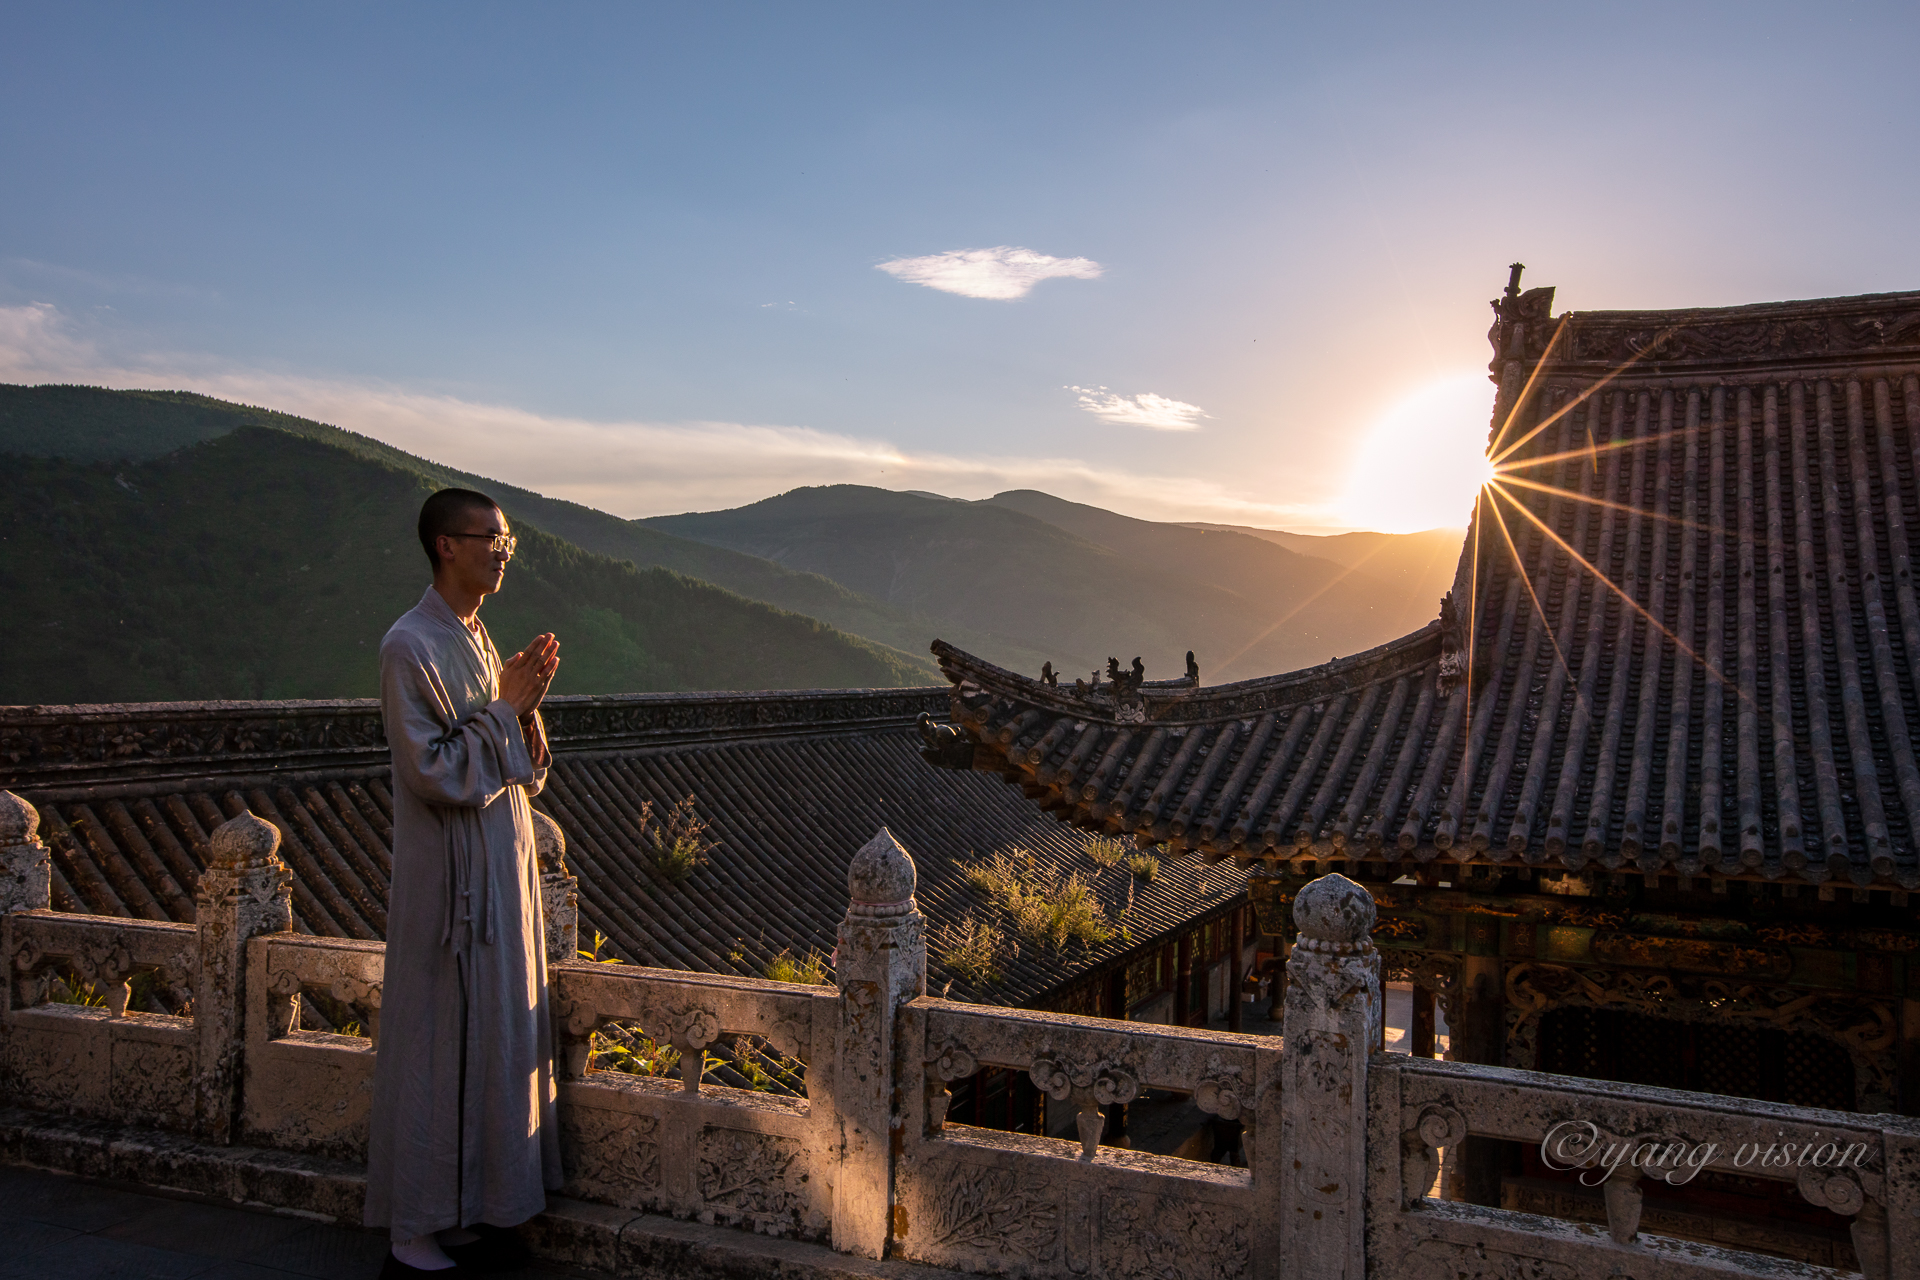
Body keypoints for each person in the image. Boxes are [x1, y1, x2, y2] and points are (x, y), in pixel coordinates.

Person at [365, 488, 563, 1277]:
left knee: (488, 1040)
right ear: (446, 546)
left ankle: (469, 1205)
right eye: (490, 538)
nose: (502, 551)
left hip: (501, 867)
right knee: (432, 1042)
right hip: (449, 882)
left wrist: (525, 709)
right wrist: (504, 714)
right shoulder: (408, 646)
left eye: (507, 540)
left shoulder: (479, 638)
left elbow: (516, 765)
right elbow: (434, 772)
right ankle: (411, 1224)